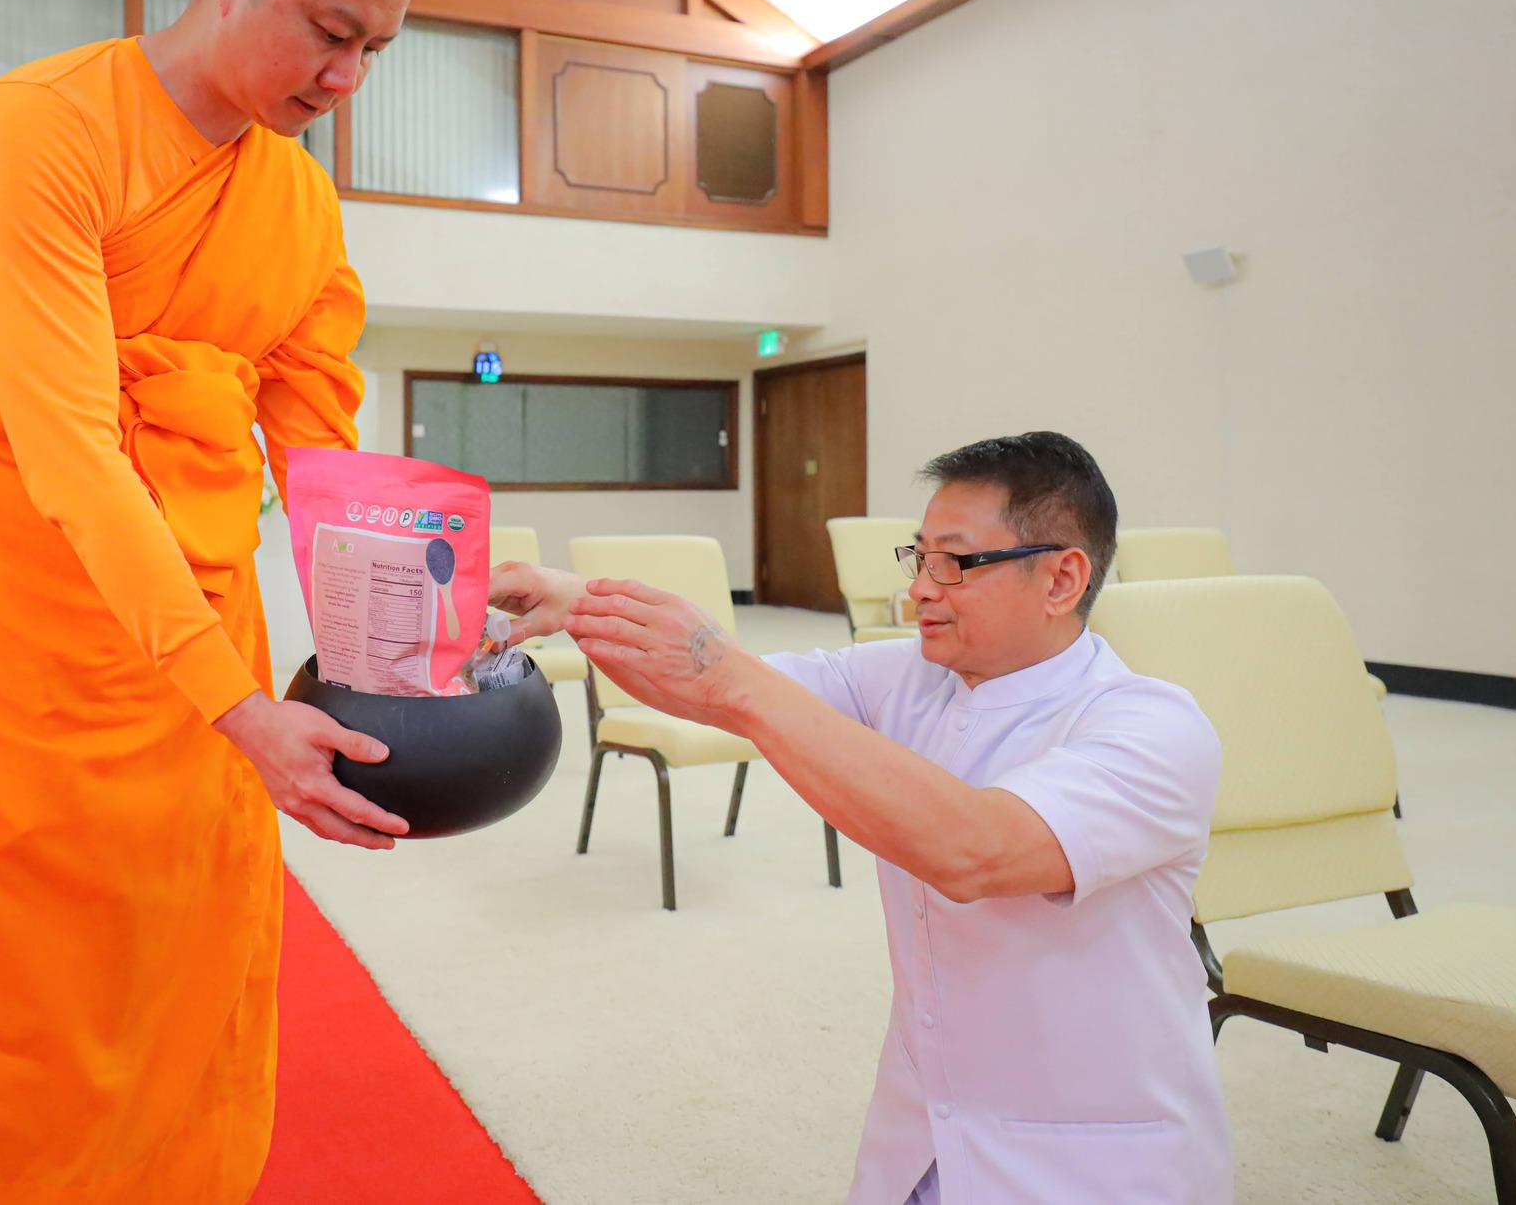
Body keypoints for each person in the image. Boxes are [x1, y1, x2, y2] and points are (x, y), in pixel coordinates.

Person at [0, 0, 417, 1201]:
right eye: (330, 34)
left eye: (376, 51)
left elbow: (319, 446)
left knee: (181, 975)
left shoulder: (298, 200)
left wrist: (426, 588)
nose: (348, 85)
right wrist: (240, 708)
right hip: (13, 645)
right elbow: (71, 454)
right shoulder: (43, 128)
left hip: (197, 642)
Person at [494, 432, 1231, 1205]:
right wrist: (574, 601)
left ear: (1061, 578)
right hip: (920, 1138)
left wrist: (734, 679)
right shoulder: (909, 677)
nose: (922, 590)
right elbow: (714, 690)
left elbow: (975, 851)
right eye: (918, 559)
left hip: (1091, 1165)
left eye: (955, 563)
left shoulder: (1152, 728)